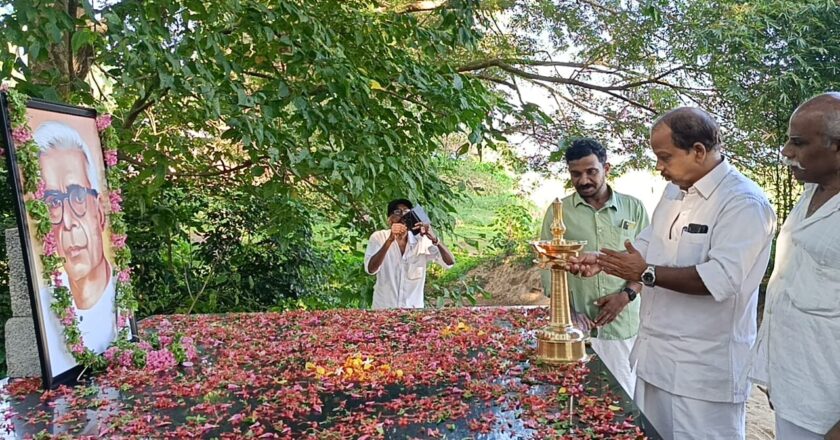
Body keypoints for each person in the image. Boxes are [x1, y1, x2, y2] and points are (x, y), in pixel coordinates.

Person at [569, 107, 776, 440]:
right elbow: (645, 249)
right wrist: (602, 261)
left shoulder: (743, 203)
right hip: (655, 361)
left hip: (702, 372)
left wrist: (646, 274)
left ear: (697, 151)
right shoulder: (673, 192)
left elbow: (721, 278)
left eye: (664, 157)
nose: (659, 167)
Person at [746, 93, 840, 440]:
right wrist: (775, 374)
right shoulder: (812, 191)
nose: (786, 151)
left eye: (798, 143)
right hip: (798, 392)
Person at [539, 138, 649, 397]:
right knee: (576, 401)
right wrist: (567, 314)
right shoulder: (559, 212)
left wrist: (626, 296)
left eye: (591, 171)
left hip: (623, 325)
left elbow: (649, 262)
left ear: (606, 168)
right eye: (576, 174)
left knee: (623, 397)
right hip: (577, 328)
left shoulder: (633, 208)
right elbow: (548, 266)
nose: (584, 180)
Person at [33, 121, 117, 374]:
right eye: (53, 202)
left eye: (78, 197)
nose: (67, 223)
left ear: (100, 211)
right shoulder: (45, 307)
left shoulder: (121, 299)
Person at [364, 198, 455, 309]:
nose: (403, 217)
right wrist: (390, 240)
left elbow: (450, 262)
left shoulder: (422, 240)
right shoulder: (379, 237)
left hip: (413, 310)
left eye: (407, 212)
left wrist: (435, 239)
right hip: (384, 309)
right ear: (389, 220)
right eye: (397, 213)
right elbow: (371, 269)